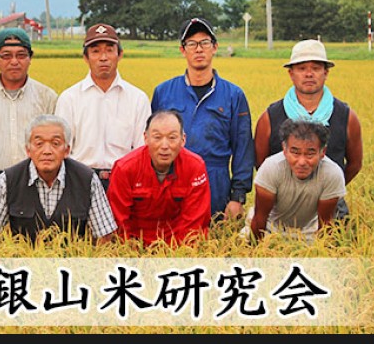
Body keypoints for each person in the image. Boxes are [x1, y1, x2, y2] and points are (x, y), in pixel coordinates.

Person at [150, 17, 254, 221]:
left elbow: (243, 147)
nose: (199, 49)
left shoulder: (233, 95)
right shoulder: (164, 92)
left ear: (214, 47)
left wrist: (238, 197)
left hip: (216, 183)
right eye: (192, 44)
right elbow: (151, 145)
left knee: (214, 234)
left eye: (205, 42)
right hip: (172, 182)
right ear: (183, 50)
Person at [253, 39, 362, 220]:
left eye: (316, 68)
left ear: (325, 73)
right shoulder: (270, 117)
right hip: (282, 204)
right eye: (302, 68)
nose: (309, 74)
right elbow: (260, 163)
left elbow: (355, 164)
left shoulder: (346, 116)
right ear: (291, 73)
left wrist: (329, 189)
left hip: (330, 205)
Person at [0, 114, 117, 245]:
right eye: (39, 143)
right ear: (28, 150)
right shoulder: (8, 180)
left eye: (55, 143)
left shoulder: (87, 180)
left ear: (67, 150)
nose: (47, 151)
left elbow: (104, 235)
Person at [0, 27, 58, 214]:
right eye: (6, 55)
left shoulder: (46, 96)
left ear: (30, 58)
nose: (14, 61)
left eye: (21, 55)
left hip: (34, 179)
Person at [54, 23, 151, 191]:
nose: (103, 57)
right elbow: (61, 147)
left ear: (119, 54)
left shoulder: (137, 98)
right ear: (86, 57)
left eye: (109, 50)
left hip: (124, 182)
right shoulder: (69, 98)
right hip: (80, 181)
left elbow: (142, 149)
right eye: (95, 51)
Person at [107, 109, 211, 246]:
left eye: (172, 138)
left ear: (183, 140)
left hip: (178, 241)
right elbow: (119, 220)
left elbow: (195, 221)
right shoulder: (125, 169)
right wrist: (131, 250)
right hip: (136, 241)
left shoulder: (195, 167)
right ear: (146, 138)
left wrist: (176, 252)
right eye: (157, 137)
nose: (164, 146)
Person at [249, 119, 346, 242]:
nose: (302, 162)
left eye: (310, 154)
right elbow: (260, 217)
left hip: (308, 231)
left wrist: (322, 251)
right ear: (284, 150)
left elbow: (325, 223)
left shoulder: (332, 173)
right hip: (270, 228)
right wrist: (254, 249)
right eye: (295, 152)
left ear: (322, 152)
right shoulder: (271, 168)